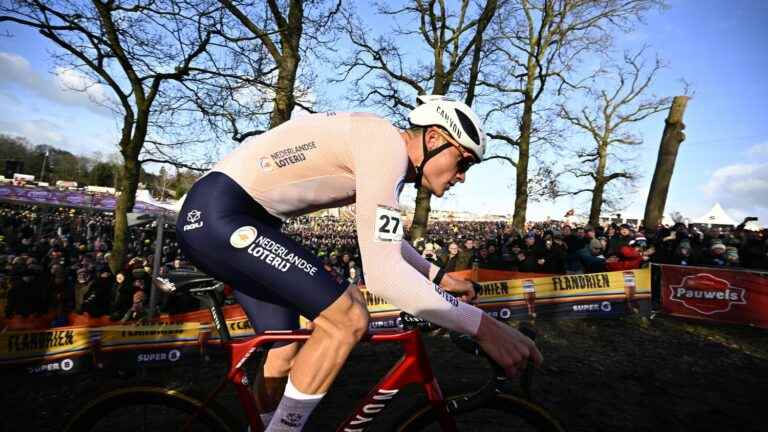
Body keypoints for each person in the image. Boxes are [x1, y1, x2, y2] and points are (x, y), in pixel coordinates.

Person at [176, 95, 542, 431]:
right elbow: (383, 278)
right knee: (348, 316)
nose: (462, 175)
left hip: (229, 216)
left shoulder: (380, 147)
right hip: (223, 216)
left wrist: (438, 276)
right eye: (462, 160)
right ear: (433, 138)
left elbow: (385, 240)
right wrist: (486, 328)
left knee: (285, 350)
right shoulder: (386, 149)